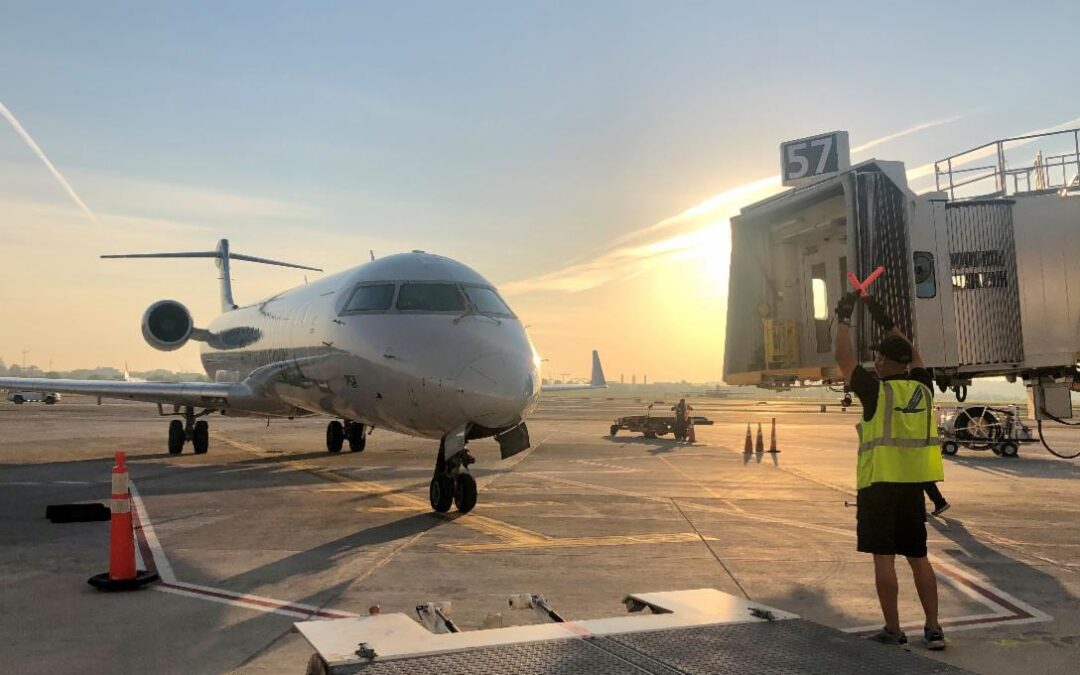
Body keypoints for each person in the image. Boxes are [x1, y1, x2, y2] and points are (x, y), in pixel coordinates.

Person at [834, 291, 946, 651]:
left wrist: (845, 316)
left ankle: (894, 630)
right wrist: (881, 315)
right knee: (919, 559)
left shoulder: (876, 392)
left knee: (884, 561)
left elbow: (843, 359)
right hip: (912, 488)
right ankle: (933, 628)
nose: (876, 362)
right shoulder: (924, 389)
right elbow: (911, 352)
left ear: (885, 361)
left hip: (878, 486)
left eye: (879, 357)